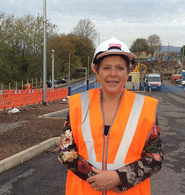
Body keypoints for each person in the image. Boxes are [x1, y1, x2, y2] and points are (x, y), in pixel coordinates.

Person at [58, 37, 163, 195]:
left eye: (120, 68)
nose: (113, 74)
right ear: (97, 71)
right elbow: (65, 151)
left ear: (128, 71)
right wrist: (97, 179)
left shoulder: (144, 108)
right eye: (106, 68)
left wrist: (119, 178)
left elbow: (155, 158)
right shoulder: (79, 105)